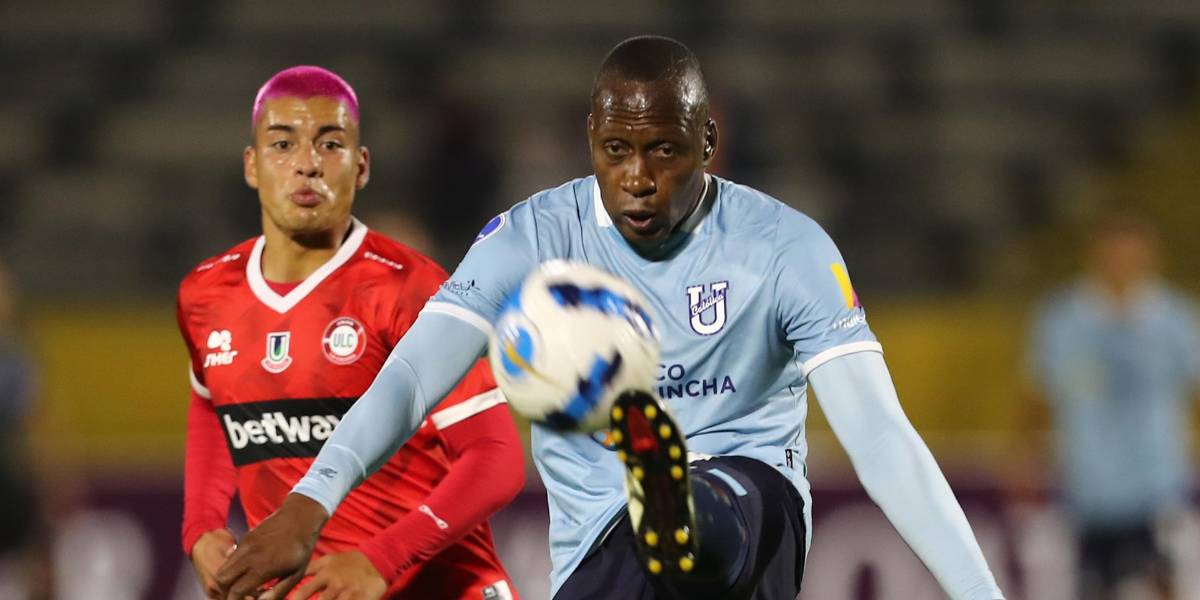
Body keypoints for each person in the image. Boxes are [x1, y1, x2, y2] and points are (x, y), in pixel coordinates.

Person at [216, 39, 1004, 600]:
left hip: (750, 528)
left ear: (708, 141)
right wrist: (313, 500)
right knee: (642, 545)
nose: (637, 179)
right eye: (617, 149)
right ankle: (661, 500)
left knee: (719, 502)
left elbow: (880, 437)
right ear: (589, 140)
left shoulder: (785, 249)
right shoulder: (531, 238)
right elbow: (417, 372)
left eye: (664, 151)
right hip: (603, 553)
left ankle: (676, 499)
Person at [178, 65, 523, 600]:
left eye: (330, 144)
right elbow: (210, 407)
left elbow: (496, 458)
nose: (308, 164)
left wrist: (380, 559)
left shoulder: (411, 289)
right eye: (283, 144)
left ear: (361, 167)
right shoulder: (206, 295)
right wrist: (200, 525)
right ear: (252, 165)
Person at [1026, 213, 1199, 599]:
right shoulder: (1062, 319)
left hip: (1158, 483)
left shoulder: (1175, 319)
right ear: (1095, 255)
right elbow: (1037, 396)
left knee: (1163, 580)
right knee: (1094, 586)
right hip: (1090, 487)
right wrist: (1026, 457)